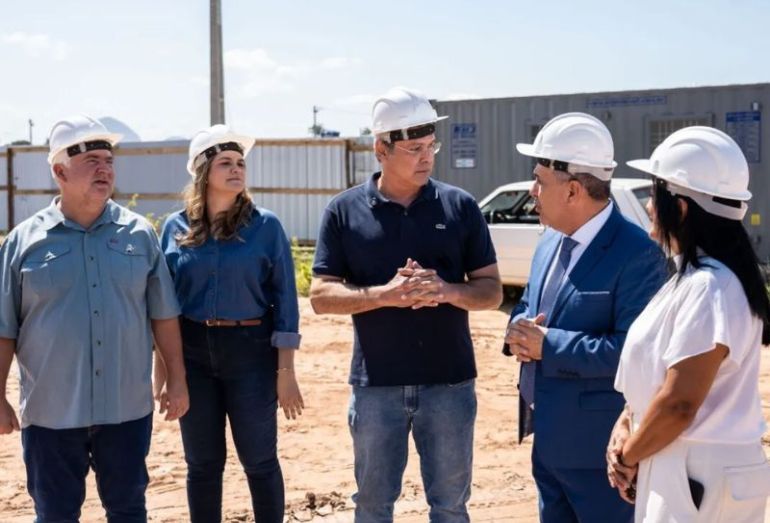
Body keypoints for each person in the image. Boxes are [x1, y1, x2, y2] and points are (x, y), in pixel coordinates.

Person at [310, 86, 502, 522]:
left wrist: (446, 291)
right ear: (380, 148)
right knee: (374, 506)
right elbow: (321, 297)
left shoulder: (460, 206)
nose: (426, 157)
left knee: (451, 507)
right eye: (414, 148)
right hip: (376, 386)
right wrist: (387, 295)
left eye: (431, 146)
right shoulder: (344, 211)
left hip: (450, 386)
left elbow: (490, 291)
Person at [0, 115, 189, 522]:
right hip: (51, 414)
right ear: (59, 170)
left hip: (125, 409)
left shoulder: (139, 234)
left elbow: (163, 315)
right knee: (55, 514)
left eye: (108, 159)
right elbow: (4, 329)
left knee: (127, 510)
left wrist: (177, 378)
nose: (104, 168)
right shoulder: (23, 242)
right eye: (91, 161)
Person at [503, 112, 667, 522]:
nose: (532, 190)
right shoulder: (549, 243)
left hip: (600, 456)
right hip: (549, 444)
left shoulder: (637, 254)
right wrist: (516, 332)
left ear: (573, 190)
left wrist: (548, 345)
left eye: (539, 179)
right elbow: (527, 307)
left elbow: (635, 352)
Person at [607, 126, 770, 521]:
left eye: (653, 196)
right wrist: (627, 422)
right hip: (684, 466)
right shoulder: (695, 279)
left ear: (679, 207)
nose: (648, 207)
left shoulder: (710, 286)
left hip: (697, 472)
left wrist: (628, 455)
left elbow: (680, 403)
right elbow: (656, 378)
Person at [158, 124, 303, 523]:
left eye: (241, 162)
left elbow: (286, 301)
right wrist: (167, 373)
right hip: (192, 355)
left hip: (251, 353)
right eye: (225, 162)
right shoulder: (173, 229)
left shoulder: (266, 226)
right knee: (202, 465)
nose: (237, 169)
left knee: (259, 460)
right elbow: (163, 305)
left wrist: (285, 372)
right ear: (203, 171)